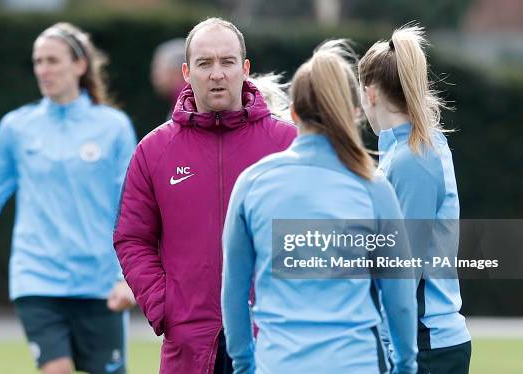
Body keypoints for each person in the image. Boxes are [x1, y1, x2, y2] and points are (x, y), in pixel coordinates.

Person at [0, 22, 137, 374]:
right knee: (56, 369)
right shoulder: (16, 128)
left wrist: (126, 277)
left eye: (53, 60)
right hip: (36, 278)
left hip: (100, 284)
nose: (43, 69)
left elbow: (130, 207)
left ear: (79, 65)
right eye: (38, 61)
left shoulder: (113, 127)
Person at [221, 40, 418, 374]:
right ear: (354, 111)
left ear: (294, 112)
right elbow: (398, 299)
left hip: (278, 363)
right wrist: (406, 365)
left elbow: (233, 293)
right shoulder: (373, 187)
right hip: (354, 363)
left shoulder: (252, 183)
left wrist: (243, 364)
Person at [113, 17, 297, 374]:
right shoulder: (154, 150)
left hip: (273, 340)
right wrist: (163, 305)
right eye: (204, 63)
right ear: (186, 72)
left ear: (245, 69)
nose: (217, 74)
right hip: (190, 343)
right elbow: (132, 238)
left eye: (227, 62)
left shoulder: (287, 144)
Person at [359, 25, 472, 373]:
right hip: (419, 342)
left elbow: (402, 269)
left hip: (424, 345)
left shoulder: (414, 158)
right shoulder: (405, 151)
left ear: (370, 93)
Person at [151, 38, 188, 117]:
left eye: (157, 68)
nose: (154, 75)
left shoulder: (186, 106)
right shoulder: (182, 102)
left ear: (176, 71)